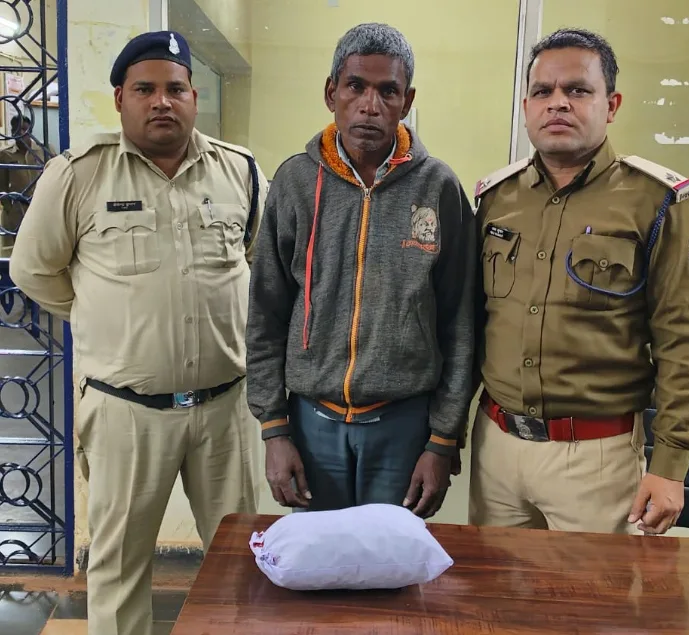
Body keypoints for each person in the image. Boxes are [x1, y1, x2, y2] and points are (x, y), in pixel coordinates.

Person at [10, 31, 268, 635]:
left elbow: (259, 262)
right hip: (125, 413)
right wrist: (103, 318)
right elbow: (33, 270)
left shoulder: (241, 172)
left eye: (175, 89)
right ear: (120, 98)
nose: (161, 102)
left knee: (239, 566)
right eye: (145, 89)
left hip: (223, 410)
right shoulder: (77, 176)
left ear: (193, 96)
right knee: (119, 571)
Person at [470, 28, 689, 536]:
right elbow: (472, 325)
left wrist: (670, 465)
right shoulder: (496, 198)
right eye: (543, 91)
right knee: (492, 586)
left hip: (596, 460)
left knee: (594, 590)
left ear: (611, 104)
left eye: (577, 90)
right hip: (496, 448)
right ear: (526, 107)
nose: (557, 103)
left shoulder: (655, 201)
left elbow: (682, 342)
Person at [246, 23, 475, 519]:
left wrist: (443, 439)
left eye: (387, 91)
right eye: (356, 86)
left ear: (406, 101)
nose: (370, 105)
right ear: (332, 93)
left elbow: (460, 323)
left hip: (404, 426)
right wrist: (274, 427)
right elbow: (265, 312)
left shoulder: (439, 188)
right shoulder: (294, 182)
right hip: (311, 425)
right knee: (320, 559)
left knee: (392, 560)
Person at [0, 115, 51, 249]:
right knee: (18, 248)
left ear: (30, 131)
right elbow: (2, 185)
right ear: (12, 132)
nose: (21, 133)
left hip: (42, 207)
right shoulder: (5, 155)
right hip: (17, 210)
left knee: (42, 246)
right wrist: (9, 208)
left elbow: (57, 175)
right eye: (17, 129)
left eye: (24, 129)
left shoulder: (44, 150)